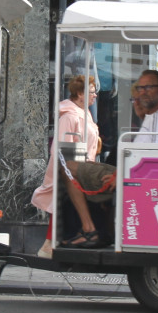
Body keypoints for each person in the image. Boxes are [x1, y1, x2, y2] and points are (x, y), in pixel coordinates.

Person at [32, 75, 115, 252]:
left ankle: (52, 244)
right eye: (92, 92)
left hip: (84, 165)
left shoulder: (85, 113)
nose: (95, 96)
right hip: (74, 169)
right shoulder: (69, 117)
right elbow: (61, 150)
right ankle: (52, 244)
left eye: (95, 92)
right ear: (79, 94)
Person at [134, 69, 158, 143]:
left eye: (148, 87)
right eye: (140, 88)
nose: (143, 92)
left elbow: (157, 153)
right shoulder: (155, 117)